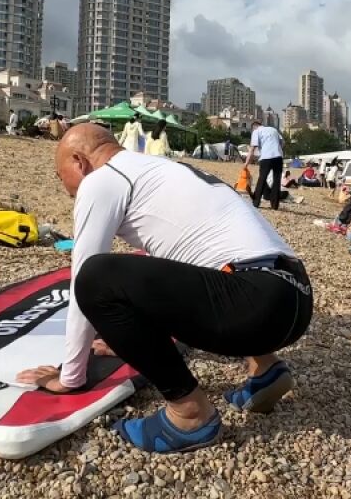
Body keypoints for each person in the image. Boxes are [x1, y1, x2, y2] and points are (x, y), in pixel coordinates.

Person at [16, 125, 312, 453]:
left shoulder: (102, 179)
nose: (66, 189)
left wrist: (69, 376)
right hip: (293, 298)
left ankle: (189, 414)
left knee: (96, 277)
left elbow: (83, 277)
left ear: (79, 161)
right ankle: (266, 369)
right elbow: (180, 276)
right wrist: (134, 335)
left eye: (61, 177)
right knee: (202, 259)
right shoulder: (164, 170)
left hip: (254, 304)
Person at [245, 119, 285, 211]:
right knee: (276, 180)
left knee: (262, 179)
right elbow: (283, 142)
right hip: (278, 157)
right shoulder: (273, 129)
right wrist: (277, 149)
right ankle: (275, 205)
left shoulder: (256, 131)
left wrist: (246, 164)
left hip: (266, 157)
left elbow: (252, 149)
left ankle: (256, 202)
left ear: (254, 127)